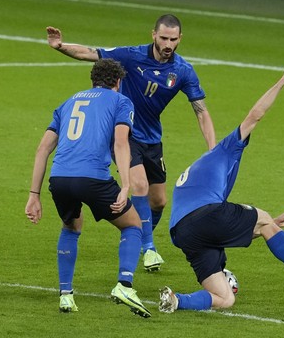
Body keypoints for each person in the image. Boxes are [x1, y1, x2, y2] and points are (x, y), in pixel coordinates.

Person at [46, 14, 216, 272]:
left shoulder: (182, 71)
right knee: (139, 185)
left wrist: (212, 150)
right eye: (163, 38)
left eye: (173, 39)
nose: (168, 43)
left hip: (152, 139)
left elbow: (201, 111)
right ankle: (148, 248)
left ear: (180, 38)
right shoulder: (131, 56)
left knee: (158, 201)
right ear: (153, 35)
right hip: (125, 135)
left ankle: (138, 235)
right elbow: (90, 53)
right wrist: (61, 46)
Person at [158, 60, 284, 313]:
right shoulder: (226, 148)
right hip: (206, 215)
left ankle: (176, 300)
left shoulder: (198, 168)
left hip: (183, 233)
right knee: (265, 219)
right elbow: (256, 114)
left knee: (224, 298)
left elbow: (223, 229)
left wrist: (271, 224)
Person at [25, 59, 151, 317]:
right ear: (118, 82)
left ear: (92, 80)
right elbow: (120, 142)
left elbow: (43, 149)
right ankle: (125, 285)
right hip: (93, 178)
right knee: (133, 225)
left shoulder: (68, 102)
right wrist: (126, 184)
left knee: (71, 226)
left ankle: (66, 296)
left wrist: (33, 195)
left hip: (59, 179)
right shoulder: (120, 101)